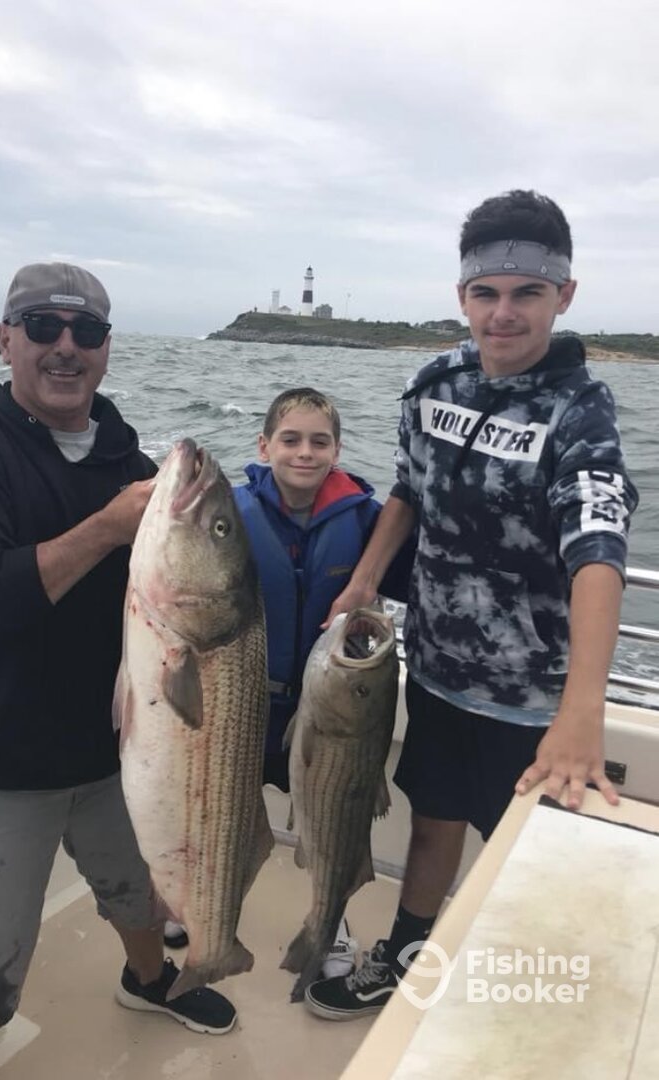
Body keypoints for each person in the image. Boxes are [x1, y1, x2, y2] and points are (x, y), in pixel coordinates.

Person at [0, 263, 237, 1080]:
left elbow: (190, 612)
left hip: (113, 751)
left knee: (137, 891)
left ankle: (148, 980)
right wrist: (107, 528)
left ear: (107, 348)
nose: (66, 347)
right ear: (5, 340)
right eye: (43, 327)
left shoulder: (135, 466)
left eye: (87, 331)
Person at [304, 190, 639, 1021]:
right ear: (461, 296)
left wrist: (581, 713)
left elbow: (598, 551)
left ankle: (523, 1000)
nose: (503, 313)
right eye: (485, 292)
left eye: (527, 293)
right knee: (431, 822)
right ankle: (406, 956)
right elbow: (406, 493)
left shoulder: (579, 412)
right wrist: (363, 580)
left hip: (534, 703)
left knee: (527, 859)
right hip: (436, 670)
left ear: (563, 295)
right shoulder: (434, 382)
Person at [221, 387, 411, 978]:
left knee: (334, 823)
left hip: (330, 713)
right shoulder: (232, 515)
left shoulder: (365, 519)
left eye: (319, 442)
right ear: (264, 446)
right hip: (246, 702)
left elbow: (408, 580)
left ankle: (329, 921)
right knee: (229, 818)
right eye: (291, 439)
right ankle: (210, 909)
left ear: (338, 450)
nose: (305, 452)